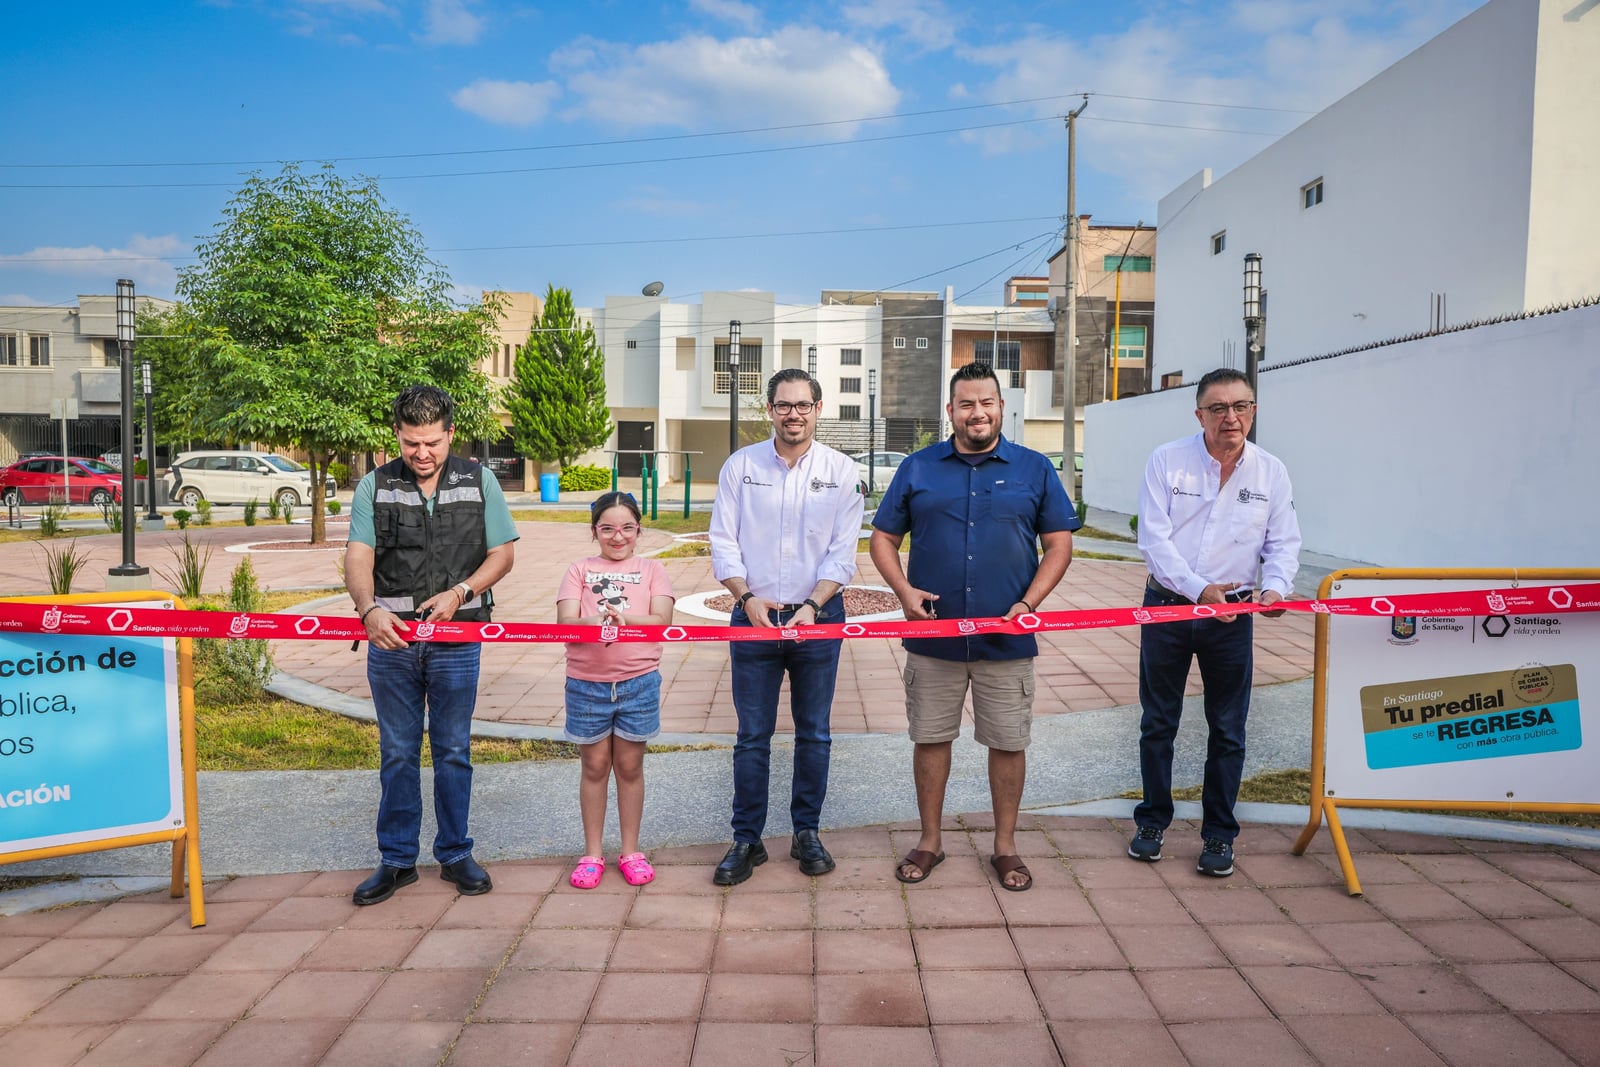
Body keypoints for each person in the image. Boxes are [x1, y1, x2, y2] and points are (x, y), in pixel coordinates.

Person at [870, 362, 1078, 892]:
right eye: (966, 403)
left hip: (1007, 638)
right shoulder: (917, 468)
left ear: (1001, 408)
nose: (977, 412)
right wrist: (904, 592)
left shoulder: (1035, 469)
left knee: (1007, 742)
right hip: (933, 637)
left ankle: (1005, 847)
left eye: (986, 402)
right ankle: (930, 840)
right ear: (951, 411)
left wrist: (1029, 602)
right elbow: (883, 538)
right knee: (930, 738)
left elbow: (1059, 544)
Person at [344, 385, 518, 905]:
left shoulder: (480, 480)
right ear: (397, 435)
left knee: (453, 751)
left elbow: (503, 554)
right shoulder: (374, 485)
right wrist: (368, 610)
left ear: (450, 434)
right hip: (391, 641)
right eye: (411, 442)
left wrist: (462, 591)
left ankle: (455, 853)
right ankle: (397, 860)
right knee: (398, 753)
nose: (421, 453)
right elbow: (358, 555)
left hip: (458, 639)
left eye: (432, 443)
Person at [1127, 367, 1301, 877]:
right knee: (1158, 722)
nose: (1231, 417)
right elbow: (1154, 541)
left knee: (1228, 728)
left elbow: (1283, 542)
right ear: (1199, 414)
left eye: (1241, 406)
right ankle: (1152, 822)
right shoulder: (1167, 461)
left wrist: (1276, 587)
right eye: (1218, 408)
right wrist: (1198, 588)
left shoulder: (1271, 472)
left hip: (1232, 616)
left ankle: (1219, 834)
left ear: (1253, 411)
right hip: (1168, 606)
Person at [708, 368, 865, 886]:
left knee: (814, 732)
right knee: (752, 735)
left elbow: (843, 553)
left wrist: (814, 605)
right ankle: (746, 840)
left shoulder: (841, 471)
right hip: (753, 616)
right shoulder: (741, 466)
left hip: (818, 617)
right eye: (783, 405)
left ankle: (806, 833)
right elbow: (722, 540)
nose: (792, 414)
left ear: (818, 409)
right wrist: (746, 598)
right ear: (770, 410)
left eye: (802, 405)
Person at [556, 491, 676, 889]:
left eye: (627, 528)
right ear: (594, 531)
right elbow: (565, 624)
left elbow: (661, 620)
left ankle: (630, 851)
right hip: (586, 686)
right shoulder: (579, 569)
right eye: (607, 528)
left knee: (629, 767)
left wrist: (625, 618)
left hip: (638, 683)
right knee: (593, 767)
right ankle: (592, 854)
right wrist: (595, 622)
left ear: (638, 529)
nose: (618, 536)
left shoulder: (653, 569)